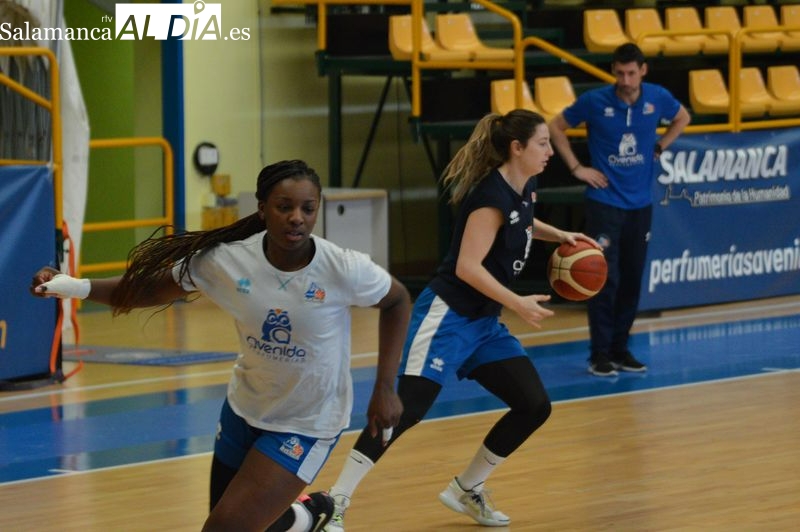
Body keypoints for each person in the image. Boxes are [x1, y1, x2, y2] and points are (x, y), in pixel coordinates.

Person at [30, 159, 411, 532]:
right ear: (262, 210)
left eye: (307, 208)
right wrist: (73, 286)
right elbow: (145, 288)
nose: (297, 217)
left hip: (306, 423)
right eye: (284, 207)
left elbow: (397, 301)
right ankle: (311, 515)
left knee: (225, 527)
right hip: (244, 408)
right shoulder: (228, 261)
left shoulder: (343, 267)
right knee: (244, 517)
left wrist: (384, 387)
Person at [322, 109, 600, 530]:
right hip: (448, 317)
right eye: (542, 143)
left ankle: (466, 488)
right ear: (517, 148)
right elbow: (469, 267)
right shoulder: (490, 196)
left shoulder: (525, 186)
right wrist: (519, 303)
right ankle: (335, 500)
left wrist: (557, 235)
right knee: (406, 410)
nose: (550, 151)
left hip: (484, 323)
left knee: (533, 405)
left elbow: (522, 223)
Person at [549, 43, 691, 377]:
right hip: (605, 204)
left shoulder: (656, 97)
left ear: (643, 70)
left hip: (640, 205)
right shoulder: (595, 101)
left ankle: (620, 349)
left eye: (631, 72)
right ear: (613, 71)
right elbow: (556, 127)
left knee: (631, 279)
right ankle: (598, 353)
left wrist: (660, 145)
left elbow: (683, 117)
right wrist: (576, 168)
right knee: (602, 279)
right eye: (619, 72)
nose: (625, 79)